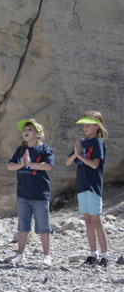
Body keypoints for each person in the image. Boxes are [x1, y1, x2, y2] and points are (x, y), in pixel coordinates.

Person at [6, 119, 54, 266]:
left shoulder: (45, 149)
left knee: (43, 227)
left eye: (30, 129)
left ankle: (47, 256)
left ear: (38, 133)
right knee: (23, 227)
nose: (26, 132)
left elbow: (49, 166)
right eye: (25, 129)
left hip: (40, 195)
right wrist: (21, 164)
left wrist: (30, 164)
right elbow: (9, 165)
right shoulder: (20, 150)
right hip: (23, 195)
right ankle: (20, 254)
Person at [65, 111, 109, 267]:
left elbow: (95, 164)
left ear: (97, 126)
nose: (85, 127)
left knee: (96, 221)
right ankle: (93, 255)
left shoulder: (97, 142)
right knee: (88, 220)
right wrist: (76, 152)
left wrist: (80, 155)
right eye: (84, 125)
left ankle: (105, 256)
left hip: (93, 186)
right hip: (82, 186)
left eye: (88, 125)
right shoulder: (82, 142)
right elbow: (68, 162)